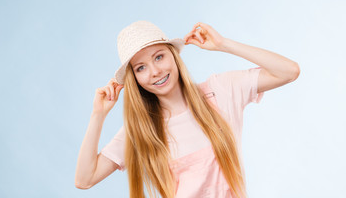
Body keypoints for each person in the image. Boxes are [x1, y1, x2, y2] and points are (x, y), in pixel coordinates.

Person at [75, 21, 300, 198]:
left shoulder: (219, 91)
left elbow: (288, 71)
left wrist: (224, 44)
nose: (154, 71)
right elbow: (85, 179)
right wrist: (98, 115)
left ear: (174, 56)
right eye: (141, 67)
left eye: (159, 57)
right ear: (135, 79)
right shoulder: (141, 129)